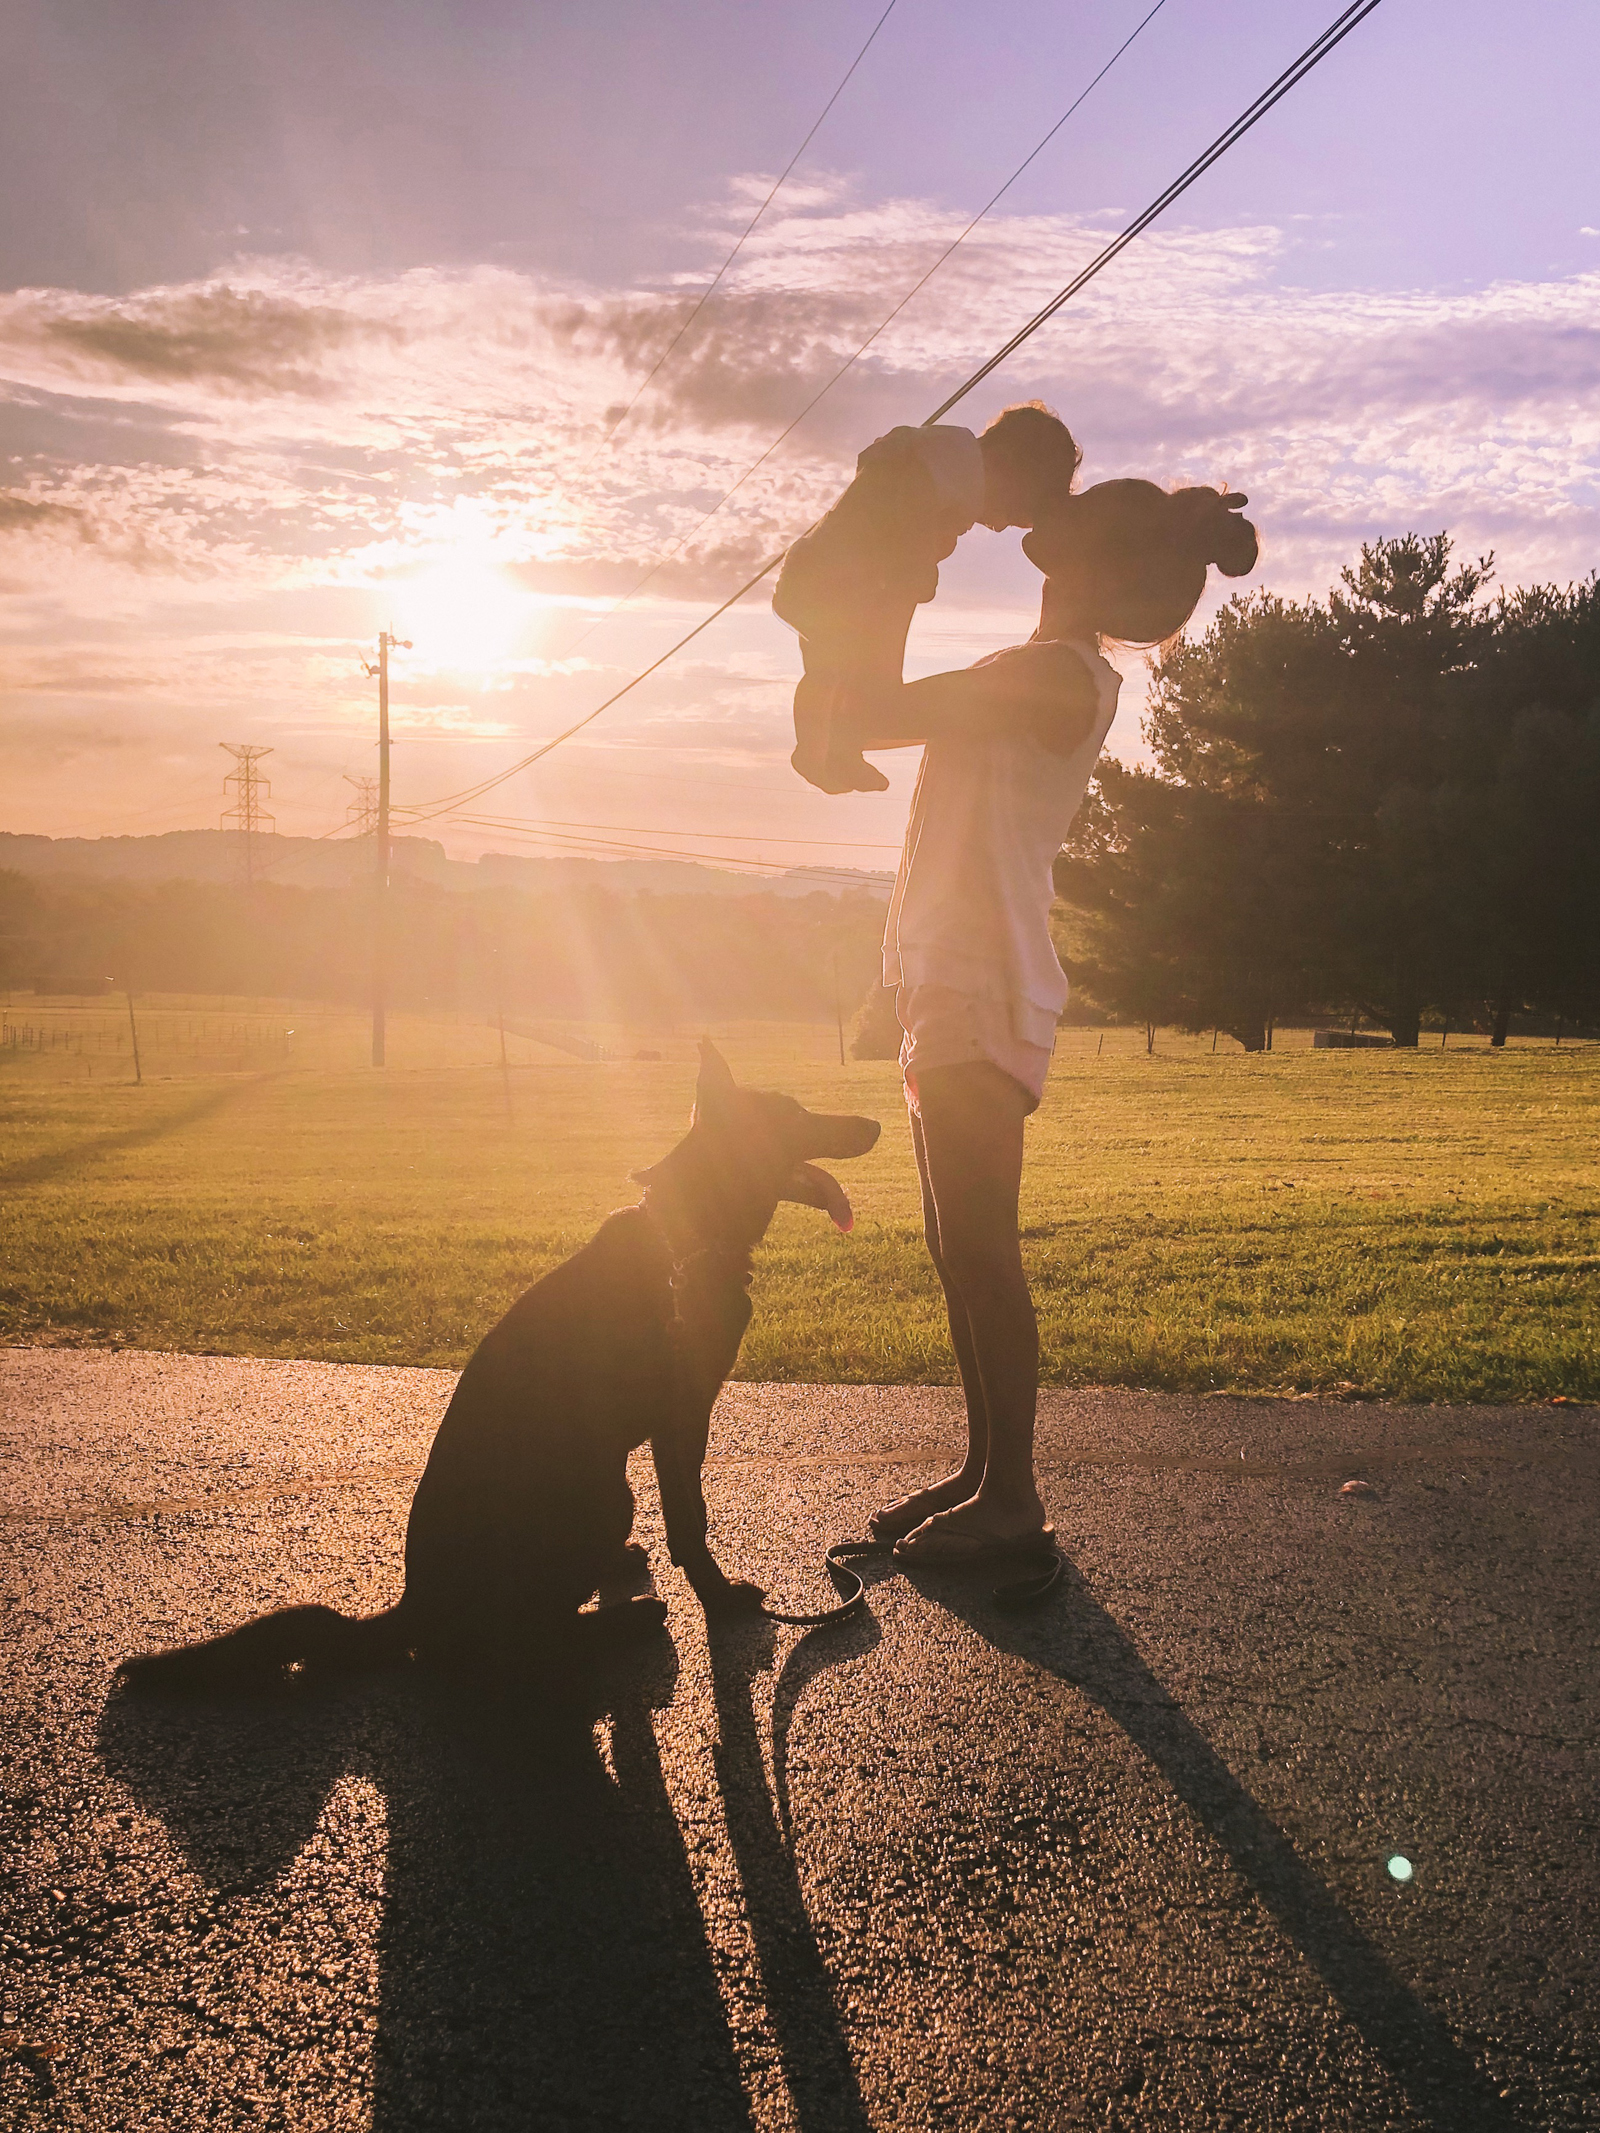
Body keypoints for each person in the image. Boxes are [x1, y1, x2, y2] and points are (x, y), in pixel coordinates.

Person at [841, 477, 1261, 1567]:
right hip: (954, 977)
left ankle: (1014, 1504)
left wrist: (883, 573)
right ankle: (984, 1474)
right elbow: (936, 816)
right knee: (953, 1243)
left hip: (984, 983)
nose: (1045, 507)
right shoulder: (1037, 669)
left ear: (1089, 557)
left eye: (1070, 509)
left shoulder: (1047, 675)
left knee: (981, 1247)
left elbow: (873, 715)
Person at [772, 403, 1082, 795]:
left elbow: (884, 469)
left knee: (830, 675)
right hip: (850, 590)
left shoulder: (943, 462)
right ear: (1012, 466)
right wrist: (916, 566)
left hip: (815, 580)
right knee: (872, 685)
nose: (1002, 525)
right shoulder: (950, 458)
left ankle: (826, 751)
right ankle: (838, 744)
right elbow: (904, 498)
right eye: (1015, 510)